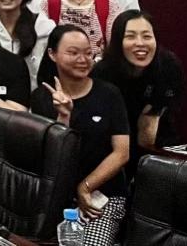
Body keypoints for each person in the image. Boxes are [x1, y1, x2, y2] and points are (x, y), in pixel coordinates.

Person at [32, 26, 130, 245]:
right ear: (52, 54)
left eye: (88, 53)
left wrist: (85, 186)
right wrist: (64, 115)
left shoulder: (109, 94)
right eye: (73, 52)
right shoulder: (41, 98)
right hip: (56, 196)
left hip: (103, 195)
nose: (83, 59)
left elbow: (121, 153)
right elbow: (53, 156)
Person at [91, 11, 183, 178]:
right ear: (118, 41)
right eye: (130, 36)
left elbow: (149, 129)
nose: (140, 43)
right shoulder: (103, 74)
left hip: (158, 144)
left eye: (147, 36)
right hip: (112, 150)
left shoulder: (168, 66)